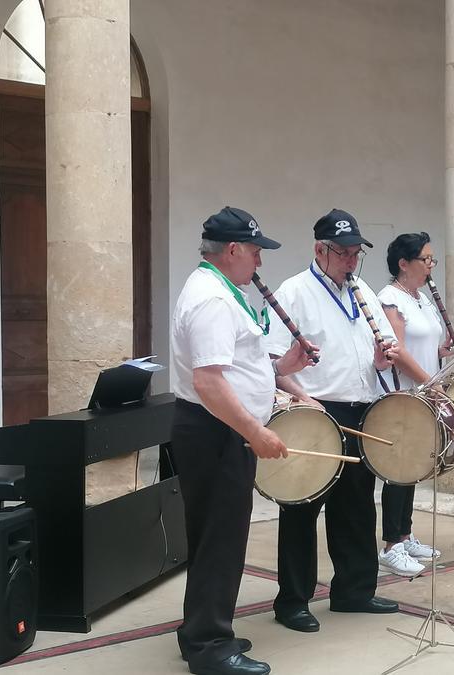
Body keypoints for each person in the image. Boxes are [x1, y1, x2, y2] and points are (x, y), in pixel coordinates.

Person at [171, 207, 317, 675]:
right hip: (217, 430)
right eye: (256, 251)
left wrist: (283, 369)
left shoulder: (222, 291)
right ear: (233, 250)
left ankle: (203, 630)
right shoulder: (213, 299)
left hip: (218, 428)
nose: (260, 262)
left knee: (216, 536)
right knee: (221, 539)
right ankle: (211, 647)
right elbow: (210, 383)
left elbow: (236, 368)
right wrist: (256, 432)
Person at [264, 208, 402, 633]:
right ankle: (293, 600)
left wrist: (382, 359)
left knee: (358, 504)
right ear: (319, 250)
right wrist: (304, 399)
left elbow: (381, 350)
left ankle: (354, 591)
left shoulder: (361, 290)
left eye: (355, 253)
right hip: (316, 409)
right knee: (302, 506)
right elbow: (273, 360)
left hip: (362, 406)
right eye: (342, 253)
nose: (350, 261)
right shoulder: (295, 291)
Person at [374, 232, 454, 577]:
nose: (430, 266)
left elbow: (425, 344)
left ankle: (404, 536)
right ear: (403, 264)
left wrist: (442, 353)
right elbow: (398, 350)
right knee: (398, 469)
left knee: (413, 467)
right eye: (426, 259)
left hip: (424, 391)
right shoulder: (390, 298)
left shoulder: (420, 297)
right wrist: (428, 380)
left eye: (432, 259)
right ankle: (391, 544)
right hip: (404, 393)